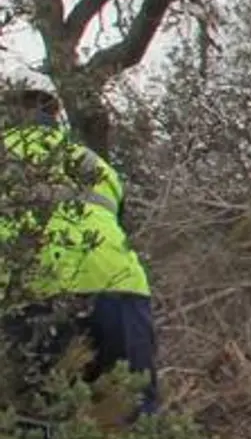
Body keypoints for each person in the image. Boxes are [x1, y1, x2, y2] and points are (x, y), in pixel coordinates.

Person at [0, 87, 159, 421]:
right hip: (123, 291)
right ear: (54, 118)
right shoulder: (93, 162)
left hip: (36, 294)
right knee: (131, 421)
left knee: (37, 424)